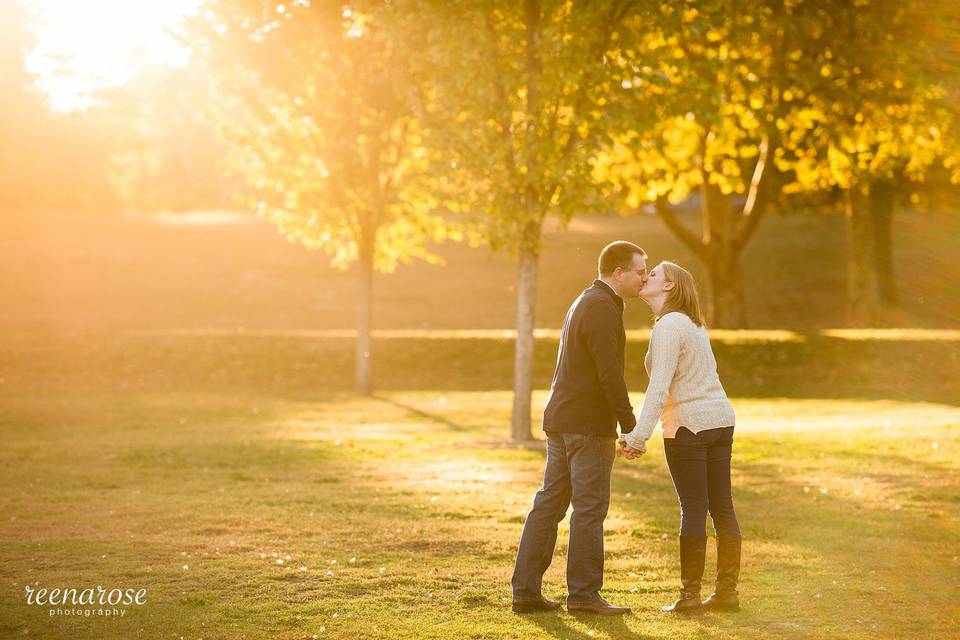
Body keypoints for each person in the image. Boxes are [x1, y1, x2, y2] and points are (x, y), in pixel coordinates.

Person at [511, 241, 647, 616]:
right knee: (589, 508)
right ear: (617, 273)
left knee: (550, 503)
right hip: (586, 425)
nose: (645, 278)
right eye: (639, 271)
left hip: (562, 420)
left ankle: (525, 591)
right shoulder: (602, 307)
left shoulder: (585, 300)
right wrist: (630, 426)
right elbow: (609, 374)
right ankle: (584, 596)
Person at [621, 261, 742, 614]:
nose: (647, 276)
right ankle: (726, 594)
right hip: (720, 420)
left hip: (689, 425)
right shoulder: (692, 324)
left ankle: (690, 597)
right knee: (722, 506)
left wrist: (638, 436)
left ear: (670, 287)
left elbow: (659, 387)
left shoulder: (670, 326)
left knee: (693, 509)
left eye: (654, 273)